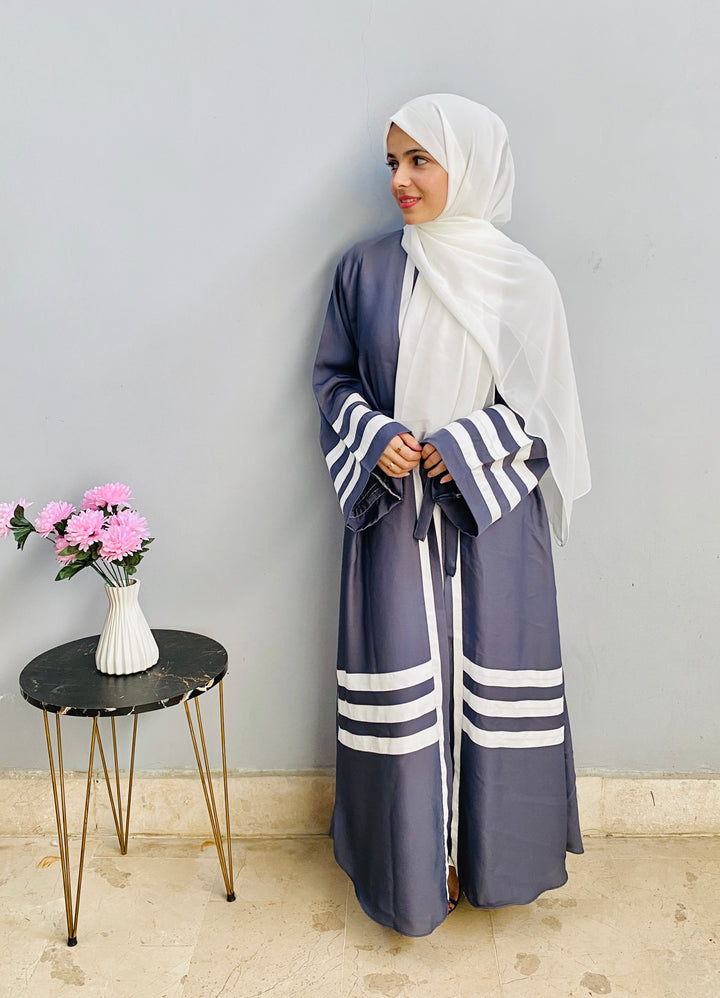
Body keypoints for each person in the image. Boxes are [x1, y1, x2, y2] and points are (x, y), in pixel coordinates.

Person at [312, 93, 590, 937]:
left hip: (490, 521)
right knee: (404, 683)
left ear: (466, 165)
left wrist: (466, 445)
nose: (400, 179)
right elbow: (333, 380)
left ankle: (489, 858)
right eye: (392, 163)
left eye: (419, 160)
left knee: (490, 680)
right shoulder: (364, 271)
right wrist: (379, 437)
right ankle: (412, 866)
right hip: (394, 515)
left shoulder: (522, 281)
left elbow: (547, 411)